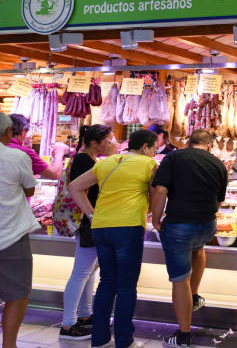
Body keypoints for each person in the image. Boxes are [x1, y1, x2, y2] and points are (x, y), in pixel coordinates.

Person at [69, 129, 158, 348]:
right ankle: (124, 340)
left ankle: (99, 340)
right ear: (145, 147)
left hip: (101, 226)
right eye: (154, 148)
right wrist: (156, 218)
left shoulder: (105, 162)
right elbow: (156, 195)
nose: (154, 152)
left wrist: (91, 213)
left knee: (107, 282)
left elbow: (74, 187)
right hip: (127, 226)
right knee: (126, 285)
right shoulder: (149, 164)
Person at [150, 129, 228, 348]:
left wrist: (156, 220)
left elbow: (160, 191)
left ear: (189, 142)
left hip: (179, 225)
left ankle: (183, 336)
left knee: (179, 278)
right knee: (198, 248)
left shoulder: (174, 157)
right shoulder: (218, 163)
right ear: (209, 144)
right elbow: (219, 200)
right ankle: (192, 297)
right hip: (207, 225)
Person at [0, 112, 39, 348]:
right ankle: (9, 344)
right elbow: (30, 190)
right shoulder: (16, 156)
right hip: (9, 234)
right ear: (8, 132)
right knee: (17, 293)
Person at [59, 124, 115, 340]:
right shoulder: (84, 160)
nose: (111, 144)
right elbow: (79, 190)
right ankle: (68, 324)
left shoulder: (86, 159)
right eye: (108, 140)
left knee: (89, 270)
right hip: (88, 220)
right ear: (94, 143)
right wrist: (91, 215)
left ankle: (84, 315)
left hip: (90, 220)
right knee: (81, 272)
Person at [8, 113, 67, 180]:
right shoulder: (25, 153)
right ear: (23, 131)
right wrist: (59, 152)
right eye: (26, 132)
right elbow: (54, 174)